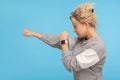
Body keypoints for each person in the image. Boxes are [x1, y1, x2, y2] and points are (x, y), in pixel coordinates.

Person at [23, 3, 106, 80]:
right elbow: (58, 42)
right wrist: (36, 34)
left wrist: (64, 42)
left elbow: (70, 65)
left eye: (75, 26)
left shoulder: (97, 47)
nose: (74, 30)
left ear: (86, 25)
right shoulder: (82, 39)